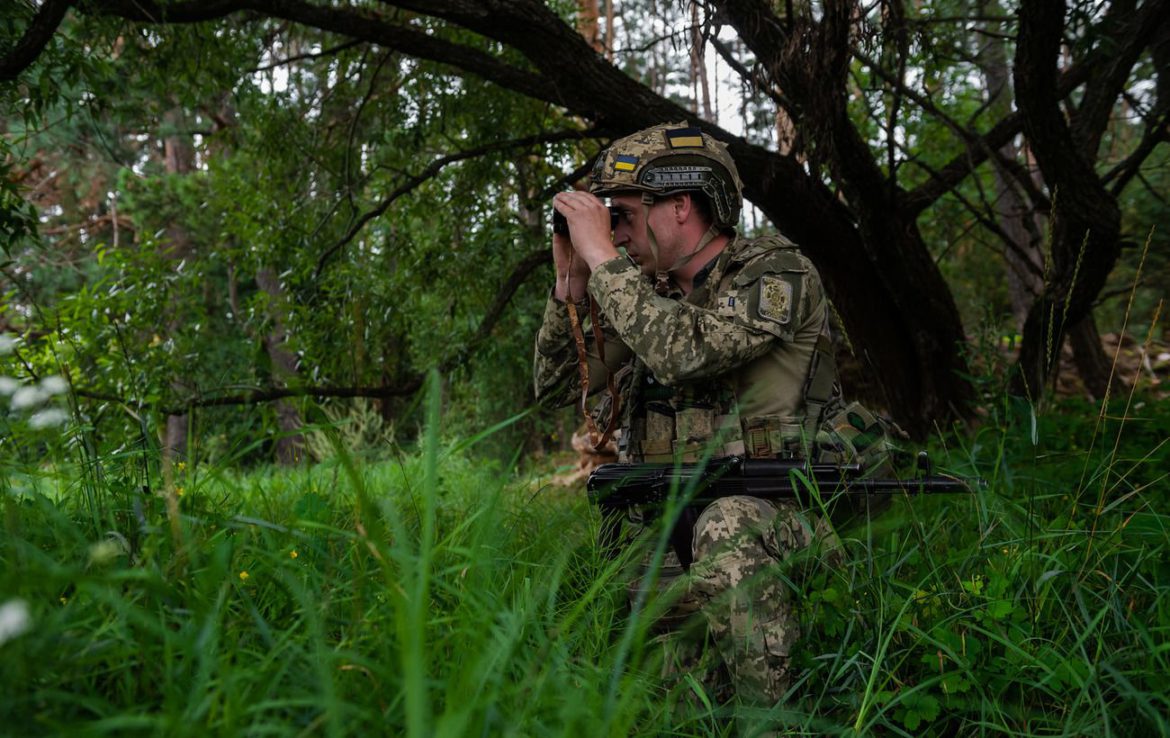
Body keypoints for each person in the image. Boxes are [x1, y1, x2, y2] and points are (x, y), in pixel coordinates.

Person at [532, 123, 890, 713]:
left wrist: (601, 258)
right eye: (606, 221)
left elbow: (682, 352)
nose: (613, 233)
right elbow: (555, 387)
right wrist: (571, 287)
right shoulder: (640, 292)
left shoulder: (775, 271)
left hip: (784, 524)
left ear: (680, 205)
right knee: (651, 690)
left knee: (728, 525)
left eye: (621, 215)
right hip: (667, 521)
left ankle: (770, 726)